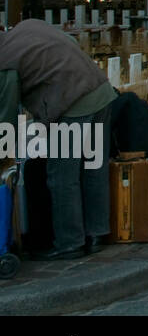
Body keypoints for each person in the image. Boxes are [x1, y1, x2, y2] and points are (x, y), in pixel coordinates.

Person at [0, 19, 115, 259]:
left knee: (62, 176)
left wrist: (3, 154)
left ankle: (69, 242)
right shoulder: (27, 27)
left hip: (72, 103)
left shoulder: (4, 60)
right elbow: (69, 44)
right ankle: (97, 233)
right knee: (94, 168)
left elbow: (6, 117)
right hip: (100, 91)